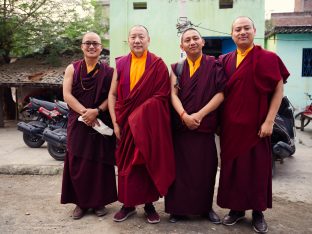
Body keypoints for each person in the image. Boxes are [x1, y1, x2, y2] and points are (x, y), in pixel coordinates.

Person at [217, 16, 290, 233]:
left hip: (258, 127)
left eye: (246, 28)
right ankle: (236, 210)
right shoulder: (224, 60)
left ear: (254, 30)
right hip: (230, 128)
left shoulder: (268, 58)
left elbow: (278, 89)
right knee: (233, 170)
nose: (242, 32)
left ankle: (258, 213)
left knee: (257, 171)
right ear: (232, 34)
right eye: (237, 29)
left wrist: (269, 121)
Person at [108, 25, 176, 224]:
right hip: (125, 124)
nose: (137, 40)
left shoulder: (157, 64)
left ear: (148, 40)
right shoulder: (120, 64)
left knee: (146, 163)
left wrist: (139, 115)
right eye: (133, 37)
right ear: (128, 40)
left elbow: (162, 96)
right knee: (127, 164)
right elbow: (112, 94)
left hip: (147, 126)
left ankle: (149, 205)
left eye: (141, 37)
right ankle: (128, 205)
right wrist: (115, 122)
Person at [165, 28, 226, 224]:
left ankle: (205, 208)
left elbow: (221, 94)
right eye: (187, 40)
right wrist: (184, 115)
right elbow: (172, 94)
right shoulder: (177, 68)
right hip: (182, 129)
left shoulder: (215, 65)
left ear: (203, 42)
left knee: (206, 170)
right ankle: (178, 209)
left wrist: (198, 115)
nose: (192, 42)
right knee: (180, 171)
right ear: (181, 46)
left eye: (195, 38)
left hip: (204, 126)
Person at [61, 32, 117, 219]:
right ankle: (81, 203)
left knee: (100, 162)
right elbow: (67, 95)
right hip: (78, 122)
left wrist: (97, 111)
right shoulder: (73, 68)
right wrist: (86, 113)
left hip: (100, 122)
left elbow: (111, 97)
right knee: (78, 162)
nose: (92, 46)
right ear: (82, 46)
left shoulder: (109, 72)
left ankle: (99, 202)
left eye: (95, 43)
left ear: (101, 47)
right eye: (88, 43)